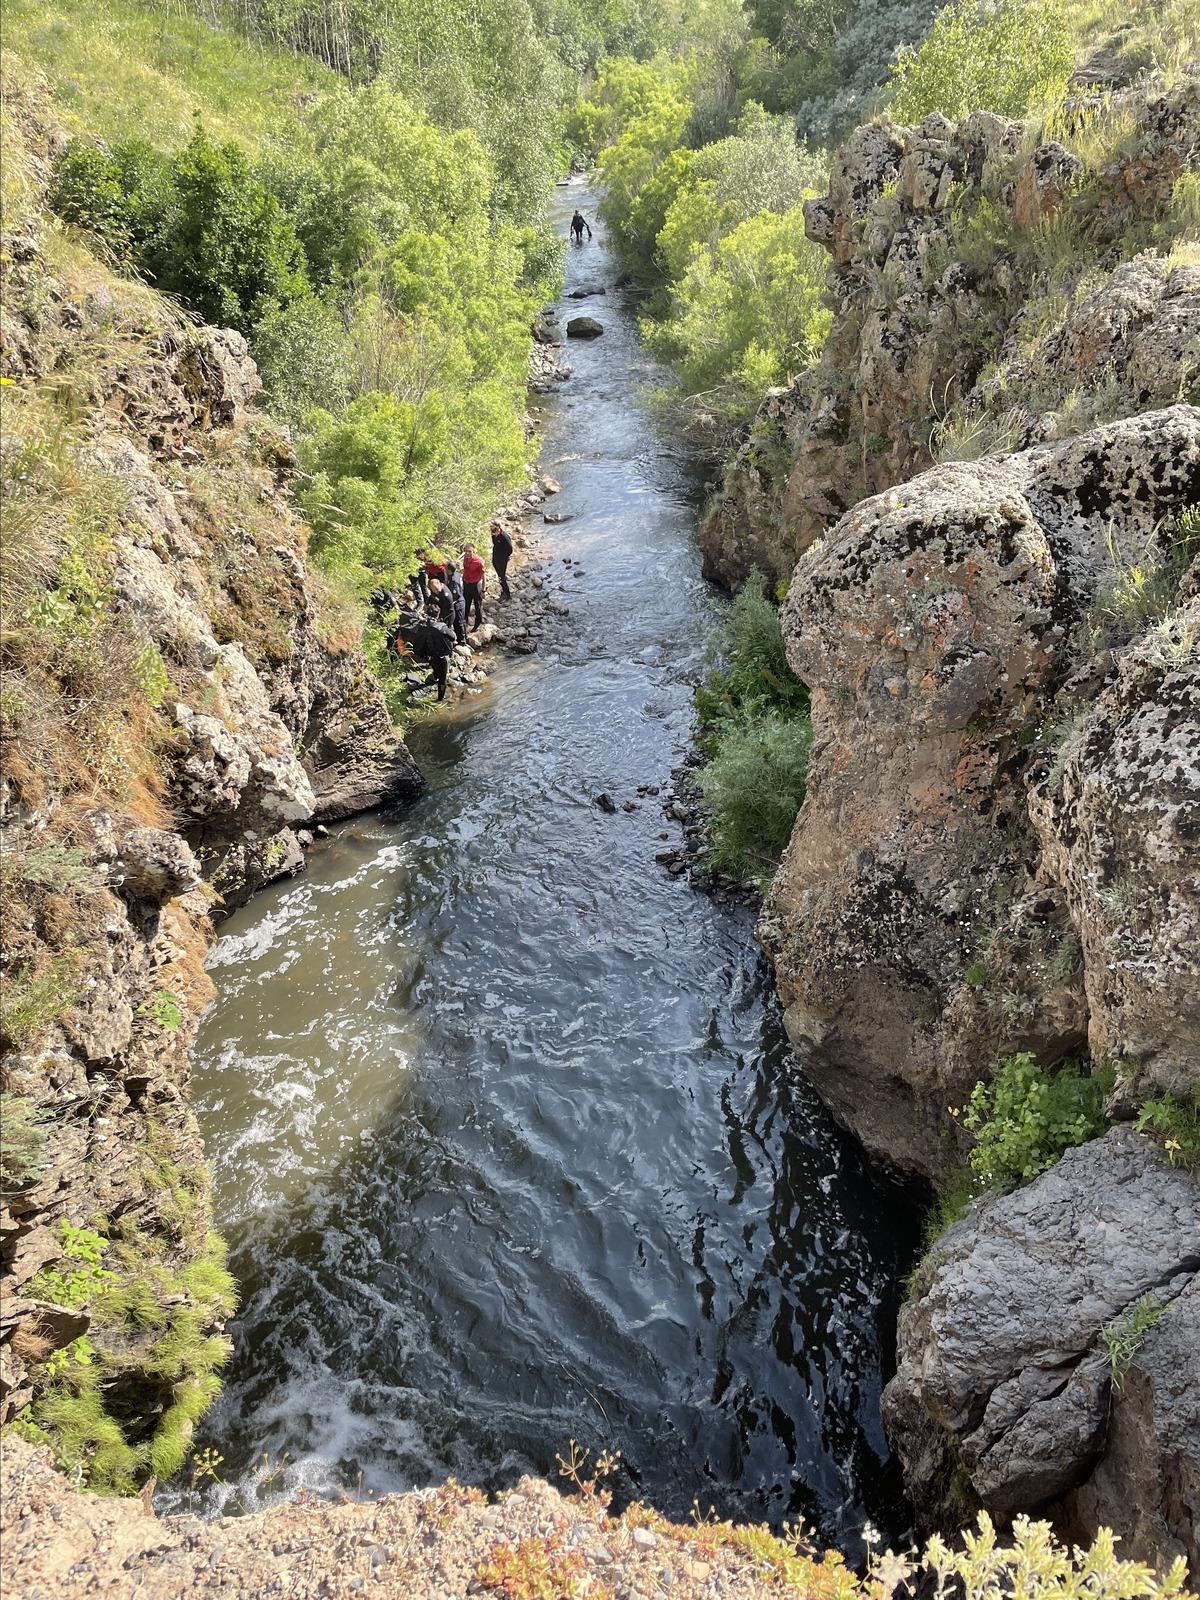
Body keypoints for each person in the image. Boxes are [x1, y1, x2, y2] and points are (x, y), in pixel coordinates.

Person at [413, 612, 455, 702]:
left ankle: (435, 677)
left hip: (430, 655)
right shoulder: (441, 627)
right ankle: (441, 698)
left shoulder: (423, 626)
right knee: (443, 679)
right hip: (442, 656)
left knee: (435, 667)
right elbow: (453, 637)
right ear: (438, 615)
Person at [443, 559, 468, 644]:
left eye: (446, 568)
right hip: (459, 602)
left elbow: (455, 595)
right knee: (460, 622)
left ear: (449, 570)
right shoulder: (457, 574)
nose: (444, 570)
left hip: (458, 603)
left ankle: (462, 641)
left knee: (459, 622)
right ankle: (463, 637)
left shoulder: (454, 581)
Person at [462, 544, 485, 628]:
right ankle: (464, 623)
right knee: (465, 605)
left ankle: (477, 624)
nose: (467, 553)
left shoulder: (478, 562)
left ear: (474, 551)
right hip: (466, 584)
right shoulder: (465, 558)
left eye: (470, 551)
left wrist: (483, 590)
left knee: (477, 606)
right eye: (466, 551)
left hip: (475, 586)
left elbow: (483, 576)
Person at [490, 520, 513, 600]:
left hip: (502, 560)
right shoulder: (493, 534)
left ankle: (507, 594)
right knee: (500, 576)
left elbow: (510, 549)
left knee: (501, 577)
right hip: (496, 558)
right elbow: (495, 544)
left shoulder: (504, 537)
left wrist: (505, 557)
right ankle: (504, 590)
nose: (493, 531)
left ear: (498, 527)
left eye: (494, 528)